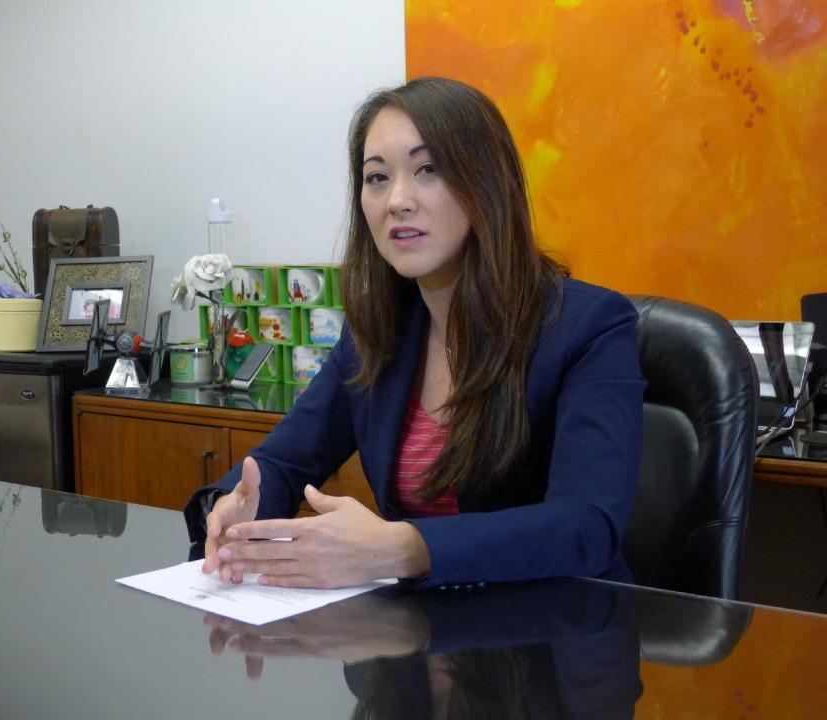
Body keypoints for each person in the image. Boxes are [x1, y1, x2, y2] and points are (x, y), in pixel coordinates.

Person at [184, 77, 645, 590]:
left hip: (549, 643)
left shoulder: (590, 328)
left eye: (428, 170)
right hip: (418, 640)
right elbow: (284, 460)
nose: (397, 200)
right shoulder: (378, 334)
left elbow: (587, 526)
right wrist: (233, 506)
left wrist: (404, 547)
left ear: (486, 185)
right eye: (377, 178)